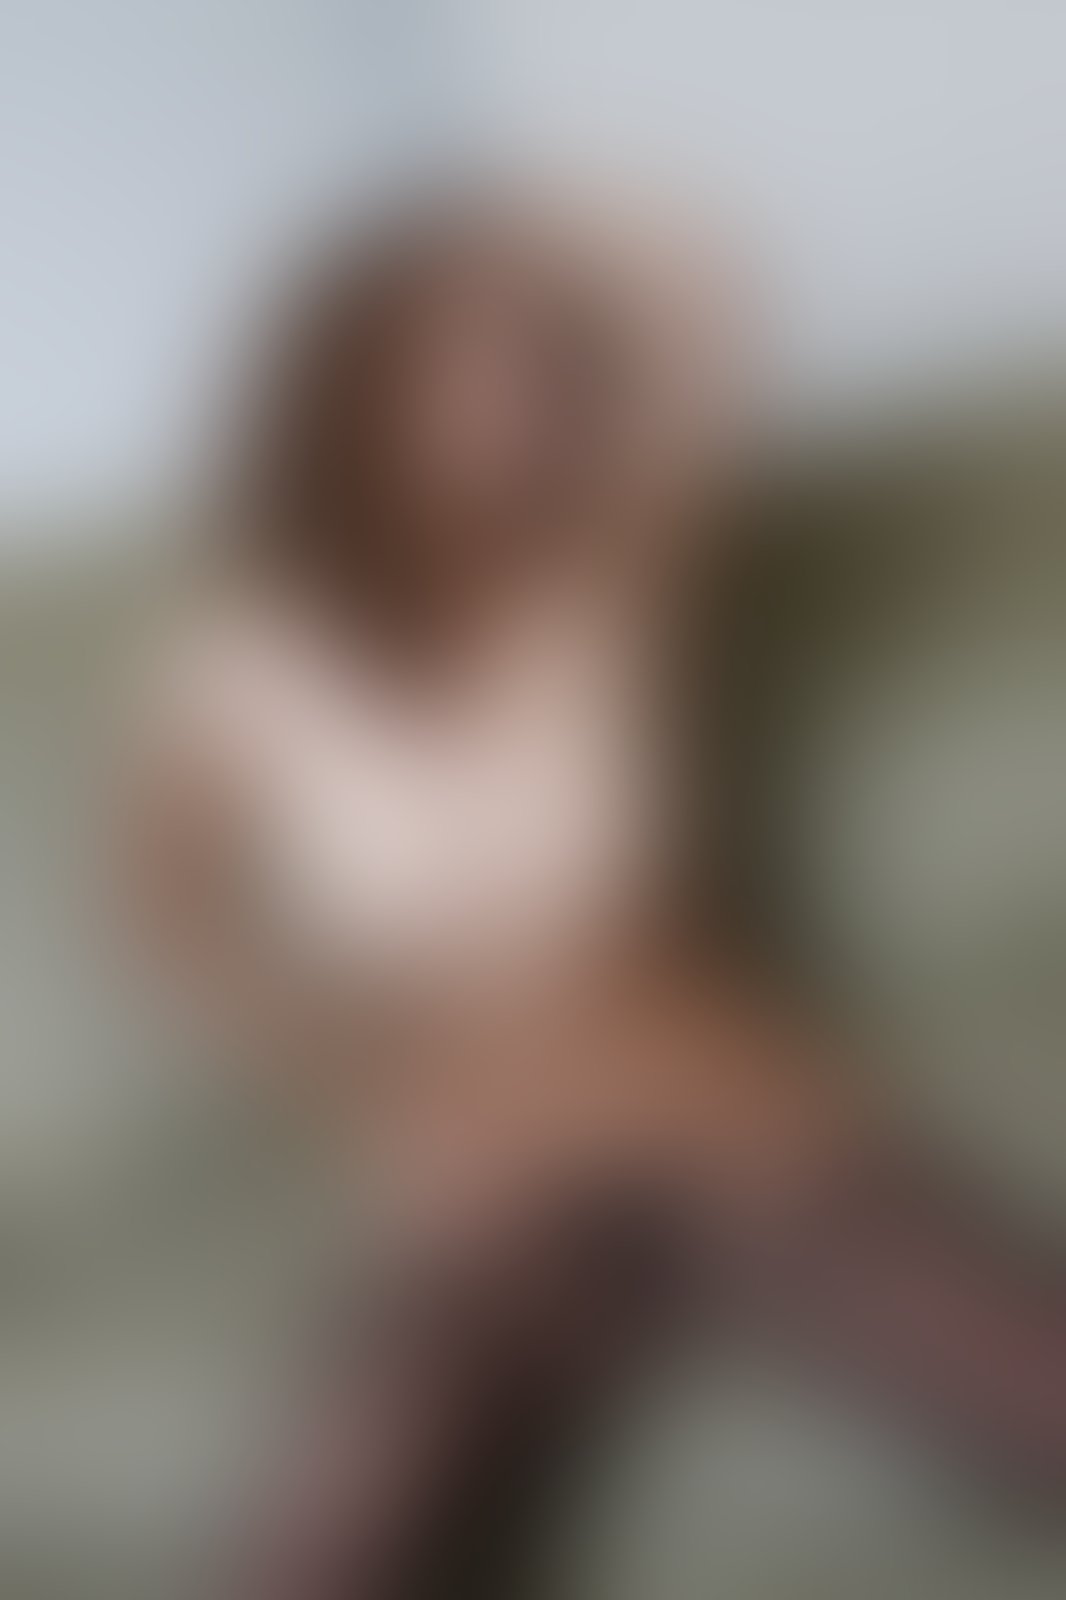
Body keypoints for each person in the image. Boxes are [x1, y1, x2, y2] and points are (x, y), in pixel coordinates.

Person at [121, 190, 1065, 1598]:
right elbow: (161, 902)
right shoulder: (262, 649)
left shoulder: (612, 568)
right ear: (362, 388)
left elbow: (702, 285)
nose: (515, 406)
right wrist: (344, 1058)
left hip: (696, 1090)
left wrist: (518, 242)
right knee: (337, 1534)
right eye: (467, 367)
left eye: (540, 367)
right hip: (488, 1144)